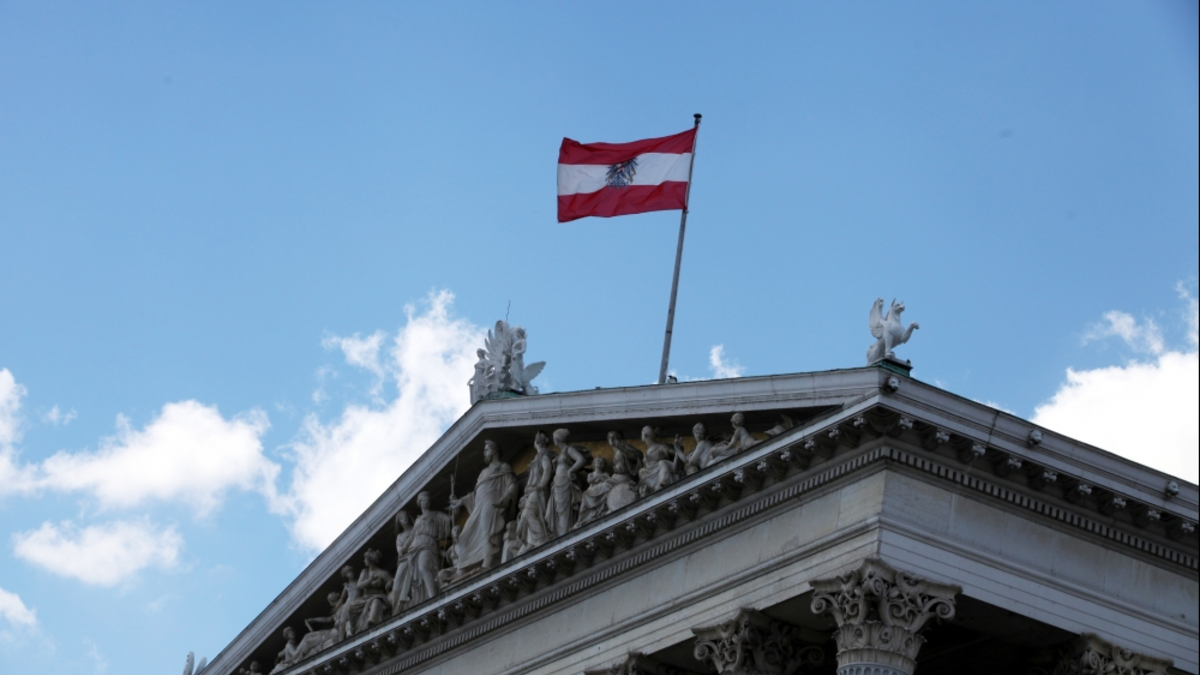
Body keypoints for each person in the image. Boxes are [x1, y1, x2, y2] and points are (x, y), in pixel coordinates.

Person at [450, 440, 518, 573]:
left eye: (486, 450)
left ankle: (486, 564)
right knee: (464, 537)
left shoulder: (503, 467)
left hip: (491, 503)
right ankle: (462, 567)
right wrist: (461, 501)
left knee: (487, 532)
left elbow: (512, 484)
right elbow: (477, 494)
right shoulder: (483, 472)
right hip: (478, 506)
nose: (484, 453)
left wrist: (506, 497)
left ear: (493, 451)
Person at [404, 490, 453, 604]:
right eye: (423, 500)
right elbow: (411, 536)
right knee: (417, 575)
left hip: (429, 545)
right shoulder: (417, 520)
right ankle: (425, 597)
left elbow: (450, 519)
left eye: (427, 500)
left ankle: (433, 596)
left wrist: (453, 503)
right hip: (414, 548)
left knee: (423, 567)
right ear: (419, 503)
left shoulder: (436, 515)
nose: (425, 502)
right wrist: (403, 548)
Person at [545, 429, 587, 537]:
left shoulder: (569, 449)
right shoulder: (561, 453)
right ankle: (558, 535)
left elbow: (581, 459)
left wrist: (570, 470)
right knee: (558, 510)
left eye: (554, 437)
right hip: (557, 483)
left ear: (557, 439)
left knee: (564, 508)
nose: (553, 440)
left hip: (565, 482)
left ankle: (565, 534)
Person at [637, 426, 682, 497]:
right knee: (641, 471)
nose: (640, 436)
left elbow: (676, 453)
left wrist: (678, 448)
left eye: (641, 434)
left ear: (645, 435)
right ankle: (655, 488)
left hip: (660, 471)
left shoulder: (661, 447)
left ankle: (662, 484)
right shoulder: (648, 450)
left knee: (662, 463)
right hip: (650, 474)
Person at [575, 456, 613, 528]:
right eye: (598, 461)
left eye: (601, 462)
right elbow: (589, 481)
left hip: (601, 488)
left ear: (603, 466)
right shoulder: (591, 474)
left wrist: (602, 479)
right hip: (593, 490)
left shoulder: (605, 474)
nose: (599, 462)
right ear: (594, 464)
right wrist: (598, 478)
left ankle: (602, 510)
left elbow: (609, 480)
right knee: (585, 494)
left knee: (607, 487)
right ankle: (581, 519)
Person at [390, 511, 414, 614]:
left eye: (405, 516)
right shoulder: (399, 536)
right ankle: (397, 608)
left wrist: (405, 548)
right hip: (403, 561)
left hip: (415, 556)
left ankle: (407, 598)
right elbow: (400, 551)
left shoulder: (415, 529)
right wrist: (406, 546)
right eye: (401, 518)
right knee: (396, 586)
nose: (404, 519)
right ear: (399, 522)